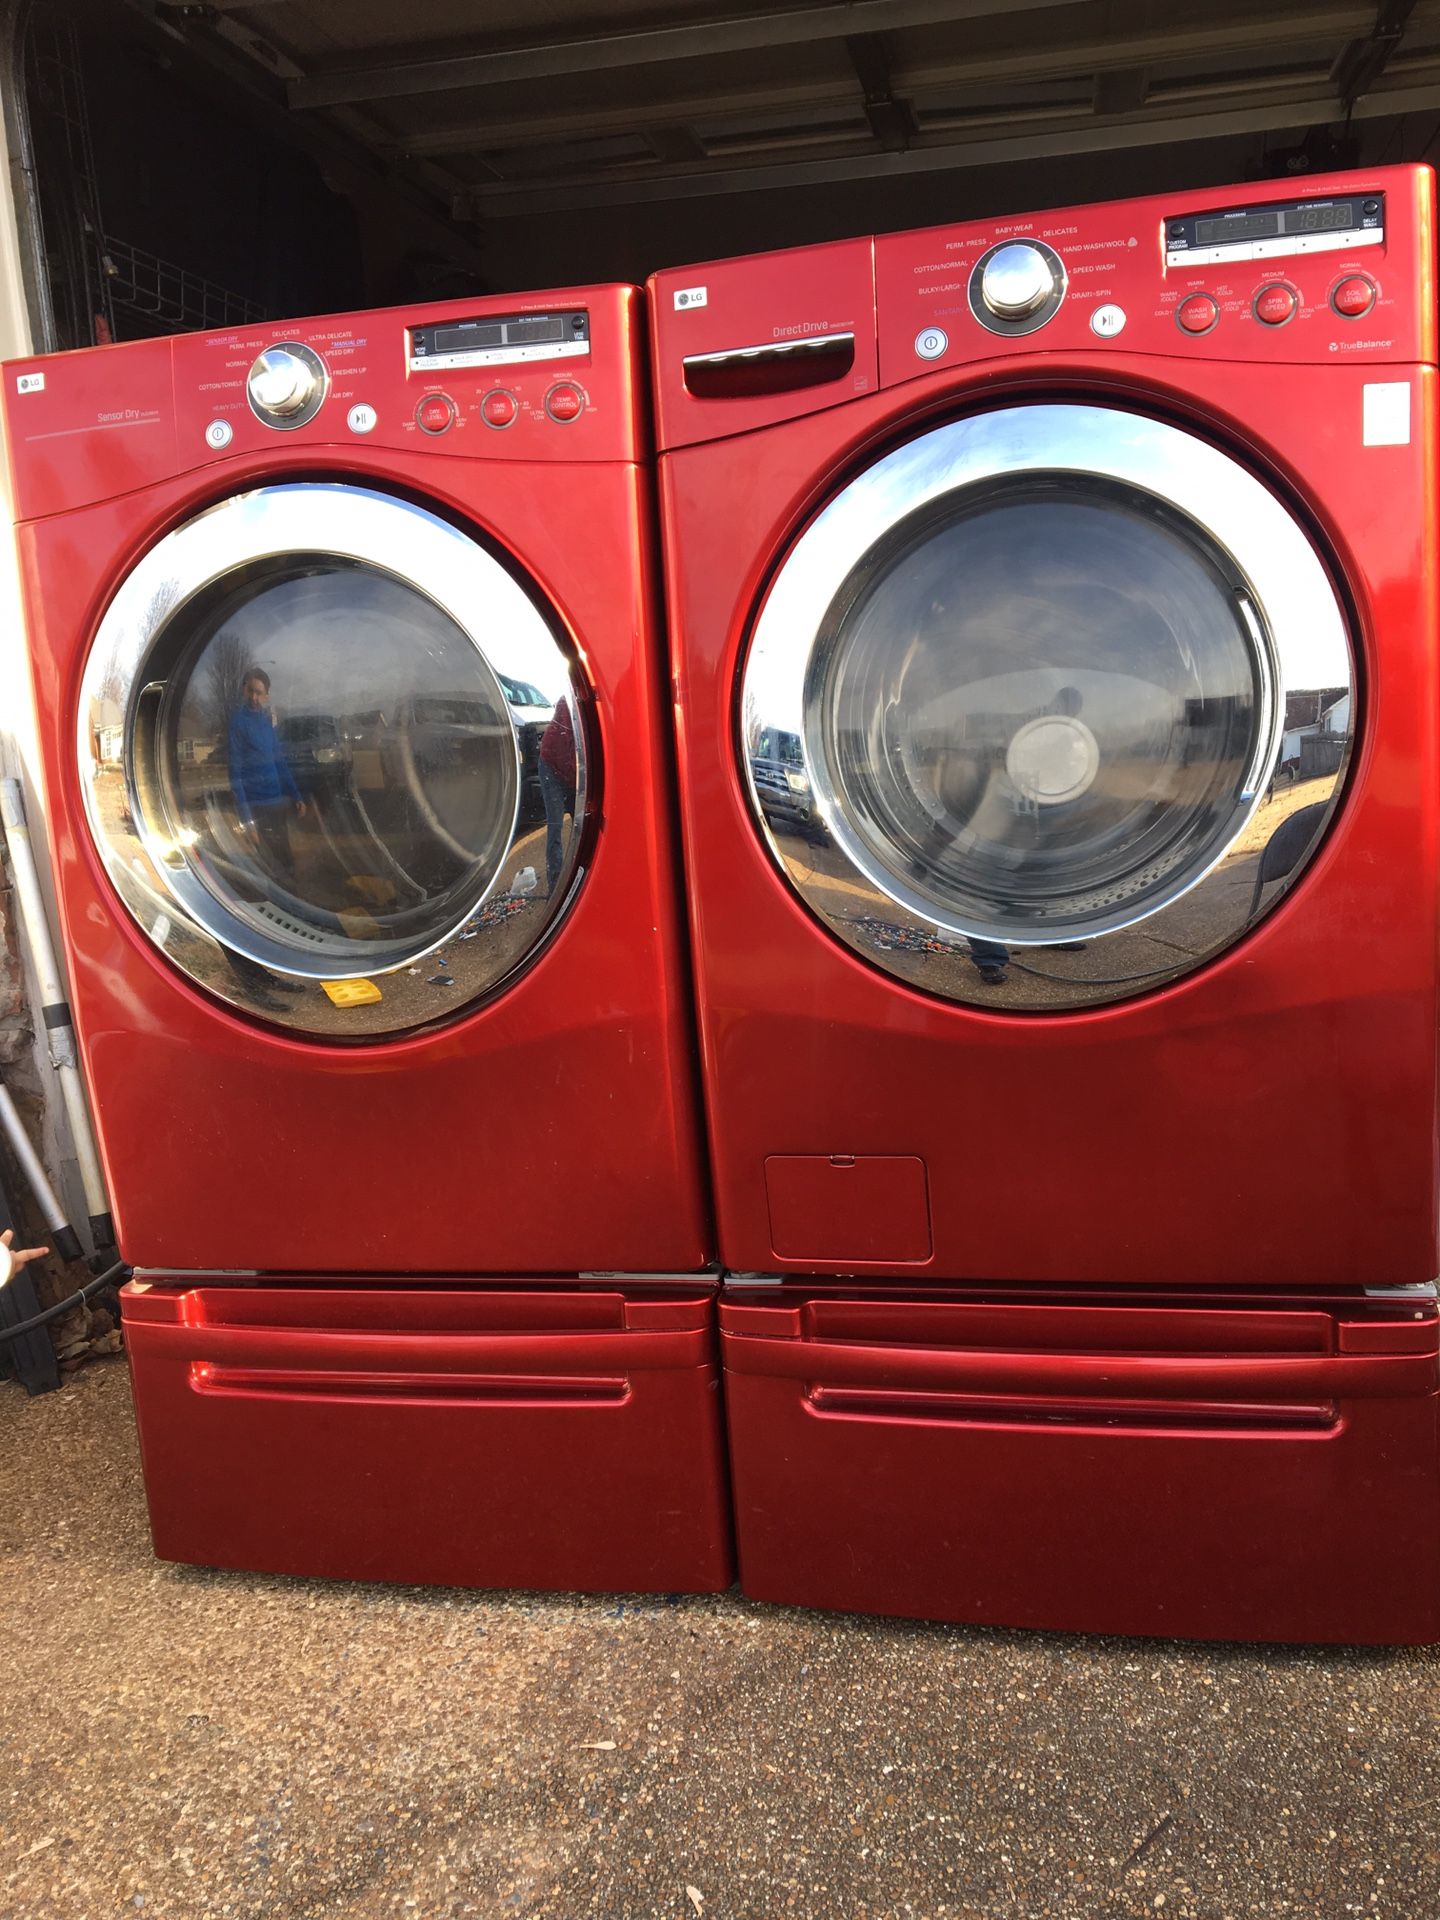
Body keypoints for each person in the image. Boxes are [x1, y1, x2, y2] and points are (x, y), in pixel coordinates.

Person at [227, 668, 307, 873]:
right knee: (267, 867)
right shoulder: (238, 722)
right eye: (251, 691)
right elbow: (235, 772)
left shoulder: (265, 722)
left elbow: (279, 763)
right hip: (256, 805)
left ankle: (290, 895)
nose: (254, 697)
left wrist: (296, 795)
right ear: (245, 690)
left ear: (266, 696)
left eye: (259, 693)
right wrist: (247, 821)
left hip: (276, 803)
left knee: (286, 859)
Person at [538, 699, 577, 895]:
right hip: (551, 767)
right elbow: (570, 756)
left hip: (567, 768)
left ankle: (582, 876)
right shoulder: (569, 707)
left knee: (582, 822)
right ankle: (555, 892)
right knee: (555, 828)